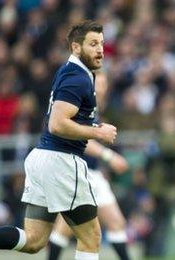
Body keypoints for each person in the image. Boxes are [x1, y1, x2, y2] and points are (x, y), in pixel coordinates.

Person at [0, 20, 116, 260]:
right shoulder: (79, 77)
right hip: (61, 162)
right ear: (75, 47)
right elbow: (57, 123)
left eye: (102, 44)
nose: (100, 50)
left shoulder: (70, 72)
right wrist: (99, 132)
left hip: (42, 159)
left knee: (34, 240)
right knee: (91, 236)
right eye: (93, 44)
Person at [48, 73, 131, 260]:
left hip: (92, 174)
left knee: (115, 223)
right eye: (98, 83)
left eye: (104, 83)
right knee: (74, 230)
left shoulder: (96, 108)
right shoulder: (82, 105)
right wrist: (110, 156)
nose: (101, 87)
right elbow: (81, 139)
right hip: (76, 172)